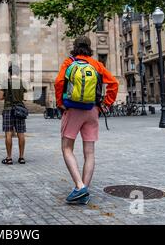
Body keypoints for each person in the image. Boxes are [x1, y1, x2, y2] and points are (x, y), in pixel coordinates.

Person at [55, 35, 118, 205]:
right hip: (92, 110)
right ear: (90, 48)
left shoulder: (69, 62)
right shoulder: (96, 64)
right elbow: (114, 83)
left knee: (67, 148)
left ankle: (79, 186)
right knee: (89, 152)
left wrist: (60, 103)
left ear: (75, 47)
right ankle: (84, 191)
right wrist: (106, 103)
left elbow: (59, 82)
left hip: (73, 109)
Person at [0, 64, 28, 165]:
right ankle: (21, 157)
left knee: (8, 133)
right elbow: (24, 97)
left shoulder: (5, 82)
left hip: (8, 109)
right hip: (19, 110)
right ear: (18, 72)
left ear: (9, 72)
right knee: (21, 133)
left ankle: (9, 157)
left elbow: (0, 97)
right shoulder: (22, 82)